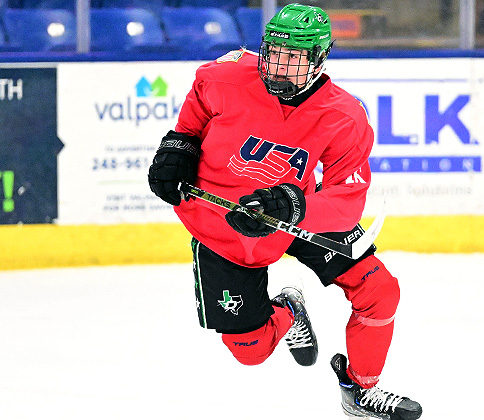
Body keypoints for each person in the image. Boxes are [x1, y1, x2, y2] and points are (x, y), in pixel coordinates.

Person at [147, 3, 422, 419]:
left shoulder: (343, 116)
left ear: (319, 58)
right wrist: (178, 146)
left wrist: (293, 207)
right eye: (273, 53)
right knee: (250, 351)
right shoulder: (226, 74)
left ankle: (361, 390)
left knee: (379, 291)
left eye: (292, 59)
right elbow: (196, 112)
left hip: (295, 213)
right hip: (221, 225)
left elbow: (347, 200)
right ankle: (289, 311)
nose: (277, 67)